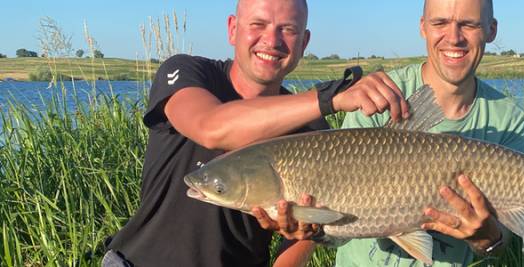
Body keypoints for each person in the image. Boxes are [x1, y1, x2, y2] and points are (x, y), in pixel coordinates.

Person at [102, 0, 408, 266]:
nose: (271, 40)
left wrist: (306, 232)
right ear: (233, 28)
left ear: (304, 42)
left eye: (287, 29)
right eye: (258, 24)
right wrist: (329, 98)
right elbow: (211, 127)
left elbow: (304, 236)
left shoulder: (312, 131)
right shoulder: (190, 73)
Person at [333, 0, 524, 266]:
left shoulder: (509, 119)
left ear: (491, 30)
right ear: (423, 27)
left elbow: (501, 240)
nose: (454, 38)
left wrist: (487, 237)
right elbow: (331, 223)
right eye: (440, 23)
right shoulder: (377, 96)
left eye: (469, 24)